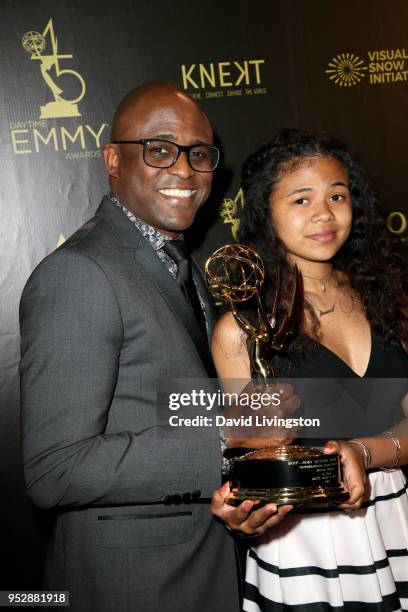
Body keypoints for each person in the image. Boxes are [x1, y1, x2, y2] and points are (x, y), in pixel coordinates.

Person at [19, 82, 295, 612]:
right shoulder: (80, 273)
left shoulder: (184, 266)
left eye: (199, 154)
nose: (186, 171)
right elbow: (55, 469)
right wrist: (226, 440)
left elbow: (167, 413)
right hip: (133, 585)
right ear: (112, 160)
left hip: (204, 564)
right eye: (160, 150)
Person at [211, 129, 408, 610]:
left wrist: (364, 452)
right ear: (265, 210)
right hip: (305, 544)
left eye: (337, 196)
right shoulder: (241, 329)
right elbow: (253, 454)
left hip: (397, 520)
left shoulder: (391, 298)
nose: (324, 213)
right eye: (301, 199)